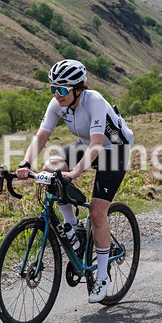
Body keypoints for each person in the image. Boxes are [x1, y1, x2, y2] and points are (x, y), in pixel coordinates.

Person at [15, 59, 134, 303]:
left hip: (115, 149)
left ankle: (102, 276)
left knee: (98, 213)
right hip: (85, 144)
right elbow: (42, 136)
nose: (56, 95)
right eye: (53, 89)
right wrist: (26, 163)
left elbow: (97, 144)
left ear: (78, 88)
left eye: (61, 89)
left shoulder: (94, 101)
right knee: (50, 170)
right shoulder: (58, 103)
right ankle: (72, 227)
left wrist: (76, 173)